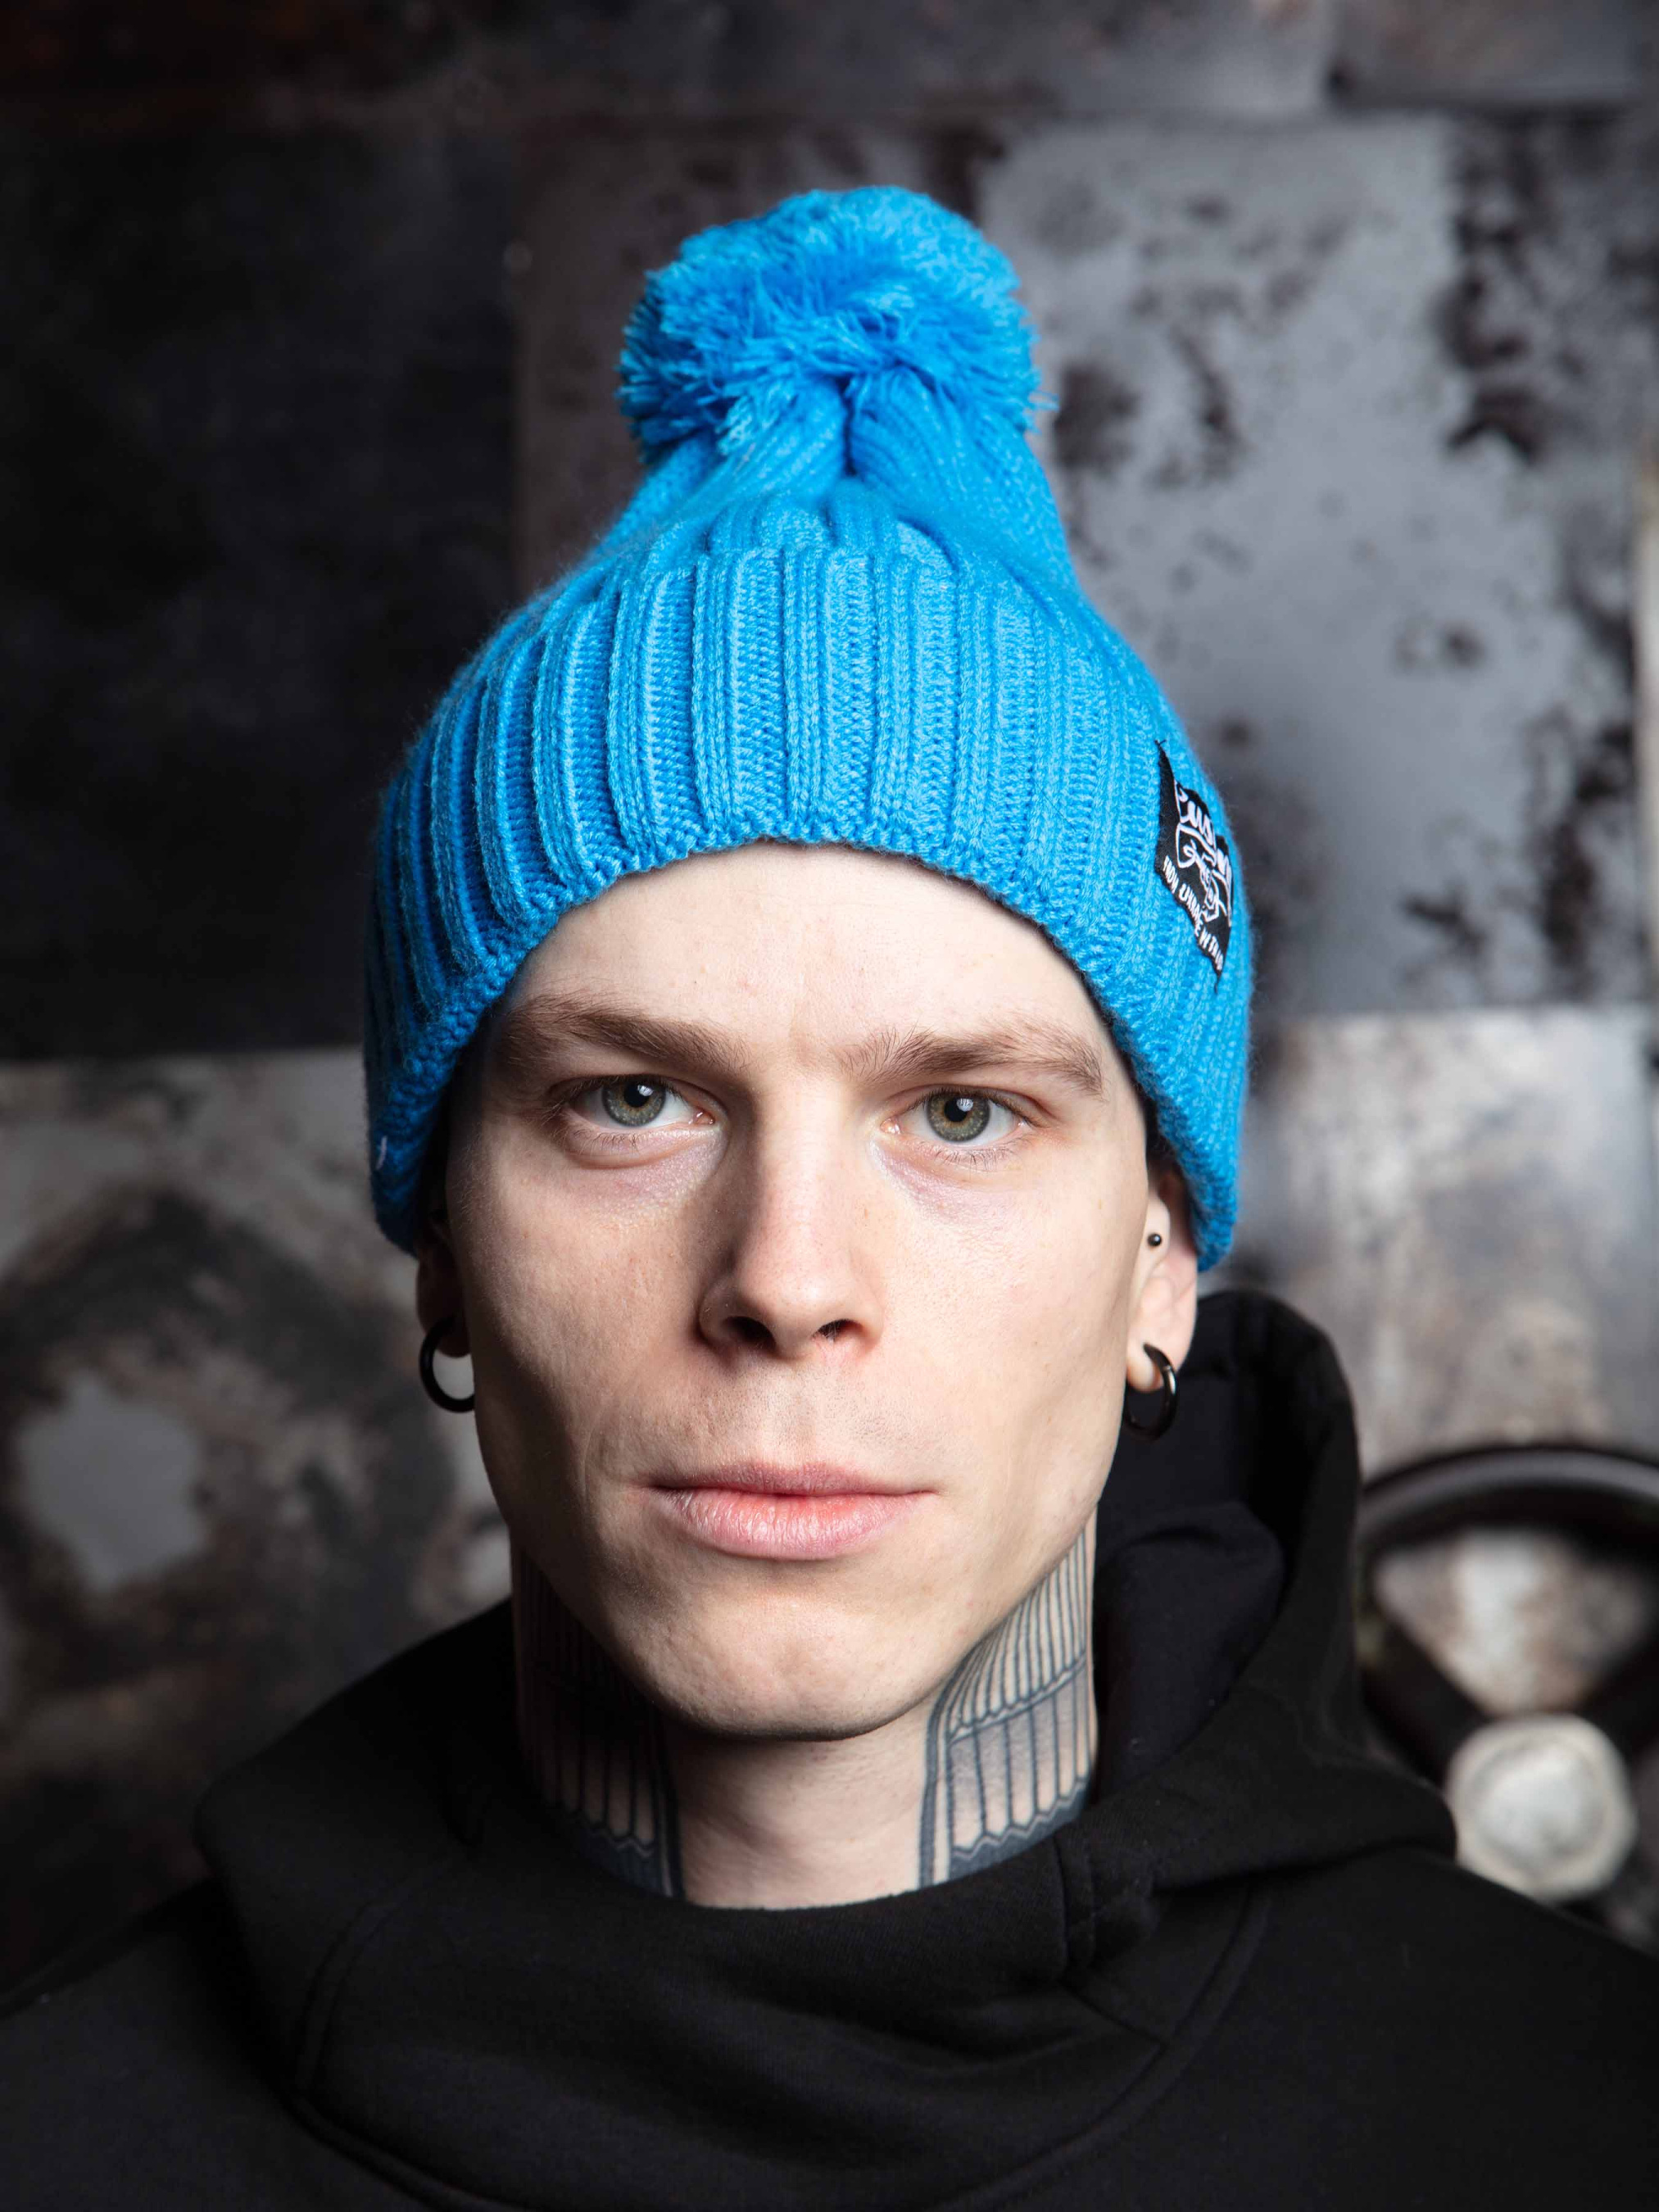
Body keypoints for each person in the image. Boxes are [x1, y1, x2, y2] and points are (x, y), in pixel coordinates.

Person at [5, 187, 1657, 2208]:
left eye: (960, 1114)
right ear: (439, 1246)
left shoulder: (1574, 2131)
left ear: (1158, 1256)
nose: (786, 1281)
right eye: (630, 1100)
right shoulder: (63, 2141)